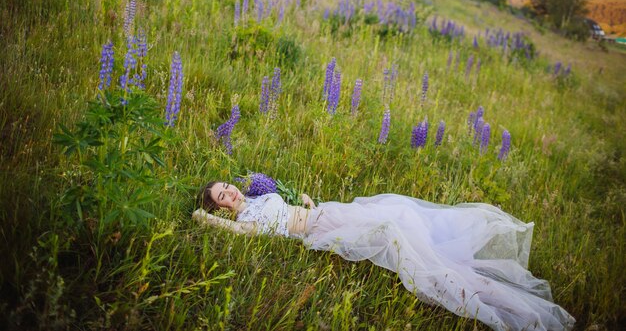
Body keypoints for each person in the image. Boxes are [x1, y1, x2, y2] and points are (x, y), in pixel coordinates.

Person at [193, 181, 575, 331]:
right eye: (222, 197)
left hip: (330, 211)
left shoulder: (259, 197)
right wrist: (202, 218)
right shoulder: (245, 222)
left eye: (228, 187)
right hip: (323, 230)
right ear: (221, 209)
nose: (232, 194)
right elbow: (245, 227)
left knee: (402, 215)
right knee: (401, 240)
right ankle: (488, 300)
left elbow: (290, 207)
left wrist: (307, 200)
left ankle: (457, 273)